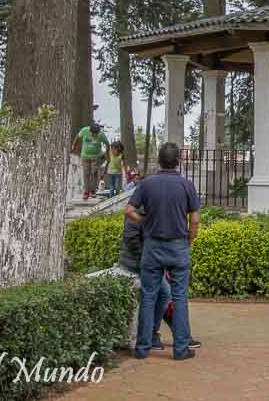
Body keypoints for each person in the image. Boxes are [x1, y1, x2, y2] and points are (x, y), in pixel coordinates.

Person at [126, 142, 200, 361]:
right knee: (179, 297)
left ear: (159, 160)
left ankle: (142, 348)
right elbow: (194, 219)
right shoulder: (186, 185)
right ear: (178, 160)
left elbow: (129, 210)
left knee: (148, 296)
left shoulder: (147, 184)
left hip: (152, 245)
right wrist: (190, 241)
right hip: (178, 244)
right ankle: (181, 348)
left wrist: (144, 222)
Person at [119, 202, 200, 351]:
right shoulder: (137, 210)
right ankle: (152, 336)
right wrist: (148, 258)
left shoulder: (154, 207)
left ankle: (155, 335)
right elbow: (131, 239)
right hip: (136, 264)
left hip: (151, 261)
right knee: (163, 293)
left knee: (166, 292)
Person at [72, 122, 110, 200]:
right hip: (85, 156)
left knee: (94, 172)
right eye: (94, 133)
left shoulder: (101, 134)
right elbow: (77, 137)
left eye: (97, 133)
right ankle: (86, 191)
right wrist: (74, 145)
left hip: (96, 156)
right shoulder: (84, 130)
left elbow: (107, 144)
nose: (95, 135)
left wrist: (107, 154)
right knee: (86, 173)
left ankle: (93, 191)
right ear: (90, 130)